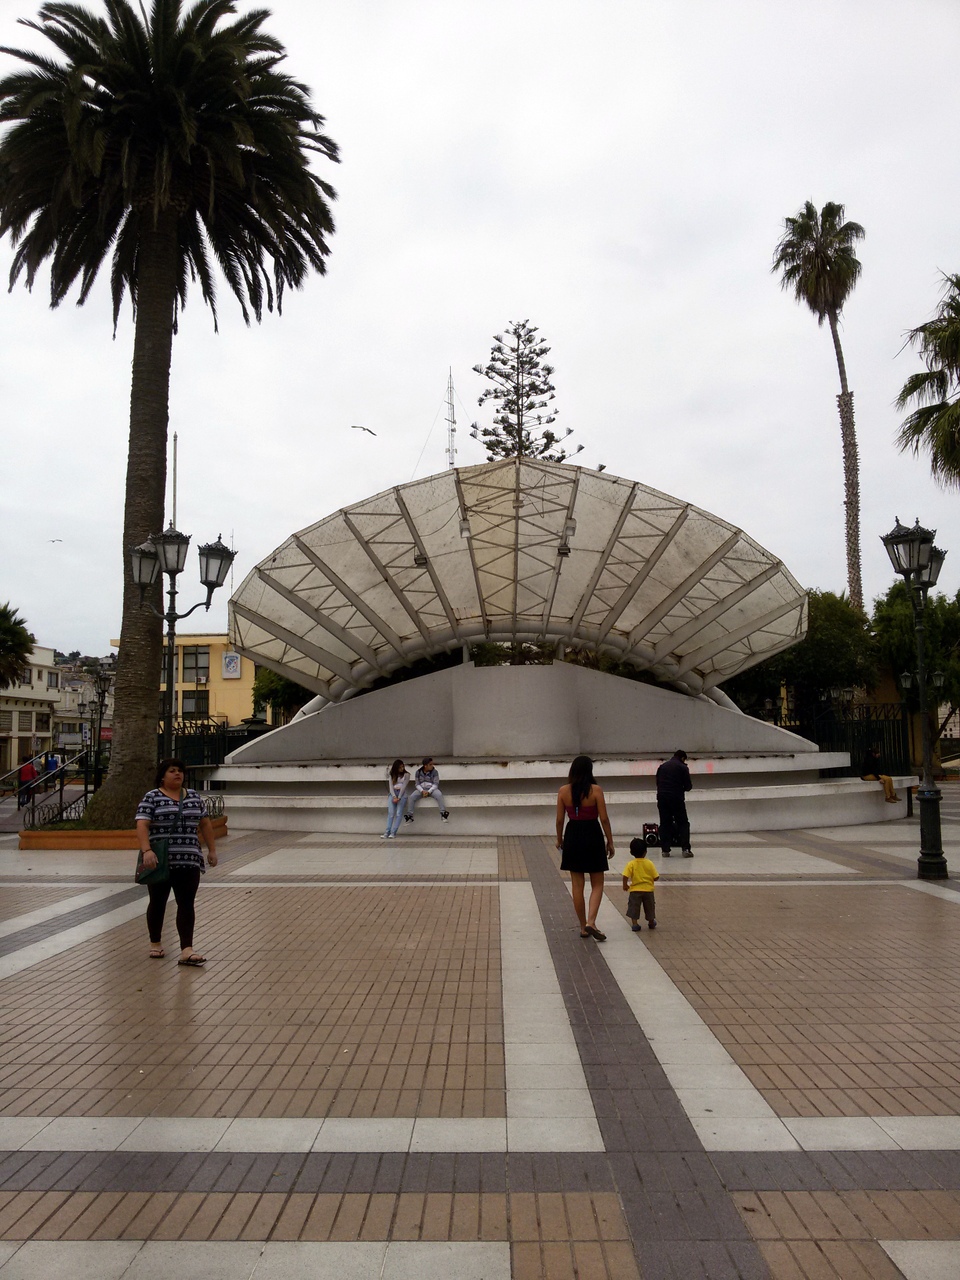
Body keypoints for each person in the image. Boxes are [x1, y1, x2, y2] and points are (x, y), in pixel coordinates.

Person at [136, 758, 217, 966]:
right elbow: (142, 824)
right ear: (162, 776)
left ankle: (187, 949)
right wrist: (146, 850)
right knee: (158, 902)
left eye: (180, 771)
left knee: (186, 903)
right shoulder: (152, 797)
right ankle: (155, 943)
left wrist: (212, 850)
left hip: (189, 860)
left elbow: (205, 824)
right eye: (172, 771)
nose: (177, 774)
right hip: (161, 861)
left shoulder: (193, 797)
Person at [556, 755, 615, 940]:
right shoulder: (596, 790)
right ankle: (591, 921)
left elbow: (559, 820)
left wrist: (559, 839)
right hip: (592, 834)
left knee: (577, 885)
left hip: (573, 834)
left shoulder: (563, 791)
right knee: (597, 883)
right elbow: (604, 818)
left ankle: (583, 927)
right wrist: (610, 841)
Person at [656, 749, 693, 858]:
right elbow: (688, 786)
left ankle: (665, 850)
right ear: (683, 758)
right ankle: (685, 849)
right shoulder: (682, 767)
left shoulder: (662, 767)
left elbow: (658, 783)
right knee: (683, 823)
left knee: (665, 823)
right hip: (676, 798)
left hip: (662, 798)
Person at [622, 836, 660, 931]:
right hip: (648, 890)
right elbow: (656, 877)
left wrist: (625, 885)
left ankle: (635, 924)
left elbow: (625, 876)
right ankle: (651, 922)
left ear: (631, 852)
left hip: (635, 890)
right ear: (645, 852)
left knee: (634, 907)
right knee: (650, 907)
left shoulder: (631, 864)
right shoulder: (649, 863)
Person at [405, 756, 450, 824]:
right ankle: (409, 815)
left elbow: (435, 784)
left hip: (432, 789)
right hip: (421, 789)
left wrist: (429, 792)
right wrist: (422, 791)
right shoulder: (418, 772)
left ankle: (443, 813)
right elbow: (417, 784)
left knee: (439, 795)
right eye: (430, 764)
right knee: (412, 797)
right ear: (425, 766)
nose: (432, 766)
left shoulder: (435, 772)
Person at [383, 759, 410, 837]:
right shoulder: (392, 774)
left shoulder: (406, 775)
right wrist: (394, 796)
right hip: (393, 793)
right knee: (391, 813)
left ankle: (393, 832)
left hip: (402, 793)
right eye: (400, 767)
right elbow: (391, 786)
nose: (402, 768)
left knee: (398, 813)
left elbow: (404, 786)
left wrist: (399, 797)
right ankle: (387, 832)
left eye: (403, 767)